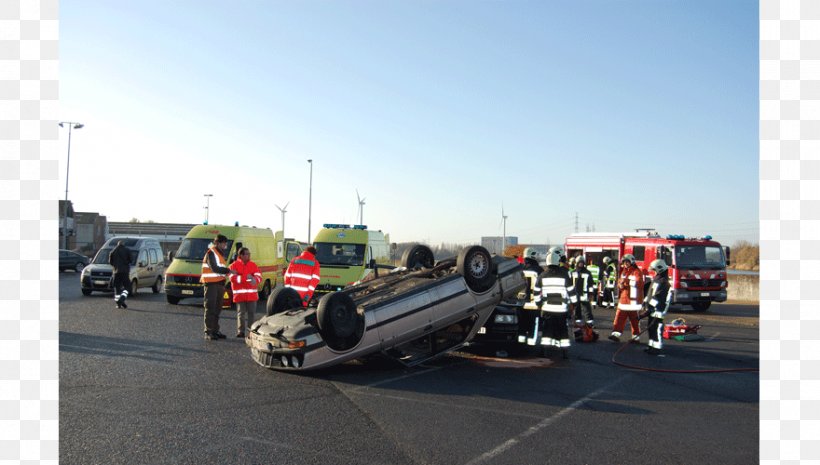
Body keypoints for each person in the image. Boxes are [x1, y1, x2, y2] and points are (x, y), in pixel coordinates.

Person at [537, 246, 577, 359]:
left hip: (547, 309)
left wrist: (539, 304)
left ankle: (545, 352)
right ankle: (564, 352)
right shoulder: (564, 275)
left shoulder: (542, 276)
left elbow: (536, 292)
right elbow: (571, 292)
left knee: (547, 331)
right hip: (561, 310)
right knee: (563, 330)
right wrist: (573, 304)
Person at [201, 234, 234, 341]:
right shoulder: (211, 253)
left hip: (219, 284)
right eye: (224, 243)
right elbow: (214, 268)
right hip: (211, 284)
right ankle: (209, 331)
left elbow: (219, 269)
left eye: (226, 243)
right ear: (218, 243)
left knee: (217, 308)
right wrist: (228, 271)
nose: (225, 245)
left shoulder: (219, 254)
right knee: (210, 308)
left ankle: (215, 330)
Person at [609, 254, 644, 343]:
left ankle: (636, 337)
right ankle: (615, 334)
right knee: (619, 317)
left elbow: (639, 284)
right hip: (624, 299)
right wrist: (620, 285)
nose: (625, 264)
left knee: (635, 321)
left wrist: (627, 282)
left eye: (627, 262)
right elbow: (620, 283)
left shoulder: (637, 271)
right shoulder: (623, 272)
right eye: (624, 262)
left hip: (634, 302)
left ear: (631, 262)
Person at [228, 247, 262, 338]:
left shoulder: (253, 265)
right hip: (240, 295)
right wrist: (247, 278)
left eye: (249, 253)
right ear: (241, 255)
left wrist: (255, 279)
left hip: (252, 295)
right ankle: (241, 331)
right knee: (241, 314)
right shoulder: (233, 266)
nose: (249, 255)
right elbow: (232, 278)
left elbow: (259, 276)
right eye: (247, 254)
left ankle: (251, 332)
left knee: (251, 314)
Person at [641, 259, 672, 355]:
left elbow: (658, 297)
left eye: (655, 270)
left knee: (656, 328)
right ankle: (651, 346)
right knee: (651, 328)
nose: (654, 271)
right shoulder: (656, 279)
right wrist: (645, 302)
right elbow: (651, 293)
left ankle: (657, 348)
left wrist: (649, 308)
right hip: (652, 309)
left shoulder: (663, 282)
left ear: (660, 269)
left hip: (658, 310)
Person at [571, 256, 596, 327]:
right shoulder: (572, 272)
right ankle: (577, 322)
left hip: (584, 294)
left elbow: (591, 284)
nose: (581, 264)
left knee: (587, 309)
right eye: (579, 263)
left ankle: (590, 322)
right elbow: (569, 284)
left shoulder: (588, 273)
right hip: (575, 294)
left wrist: (591, 294)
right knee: (576, 309)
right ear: (576, 263)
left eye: (582, 263)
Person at [109, 240, 131, 309]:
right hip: (124, 272)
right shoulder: (127, 250)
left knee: (117, 288)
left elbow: (110, 262)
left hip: (116, 272)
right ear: (123, 244)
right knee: (127, 287)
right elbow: (131, 260)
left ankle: (119, 304)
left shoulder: (113, 251)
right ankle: (122, 299)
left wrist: (115, 266)